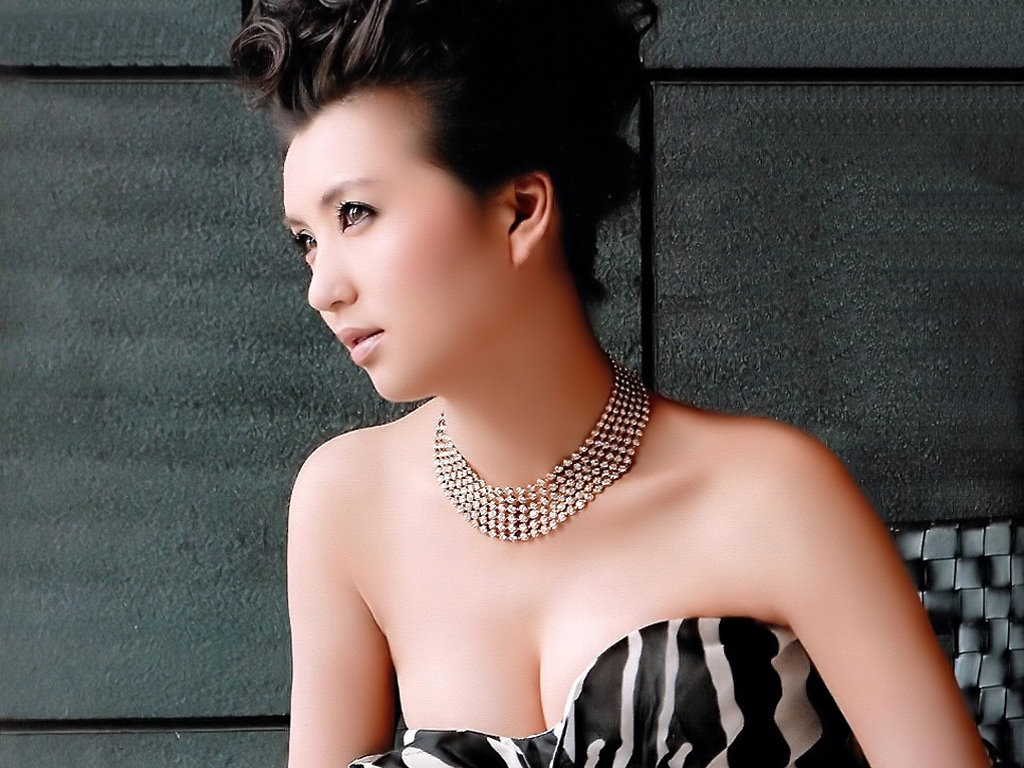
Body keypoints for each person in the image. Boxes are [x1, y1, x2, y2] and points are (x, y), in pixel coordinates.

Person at [230, 1, 996, 766]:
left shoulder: (773, 496)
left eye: (355, 213)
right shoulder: (346, 504)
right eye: (305, 241)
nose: (322, 288)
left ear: (521, 211)